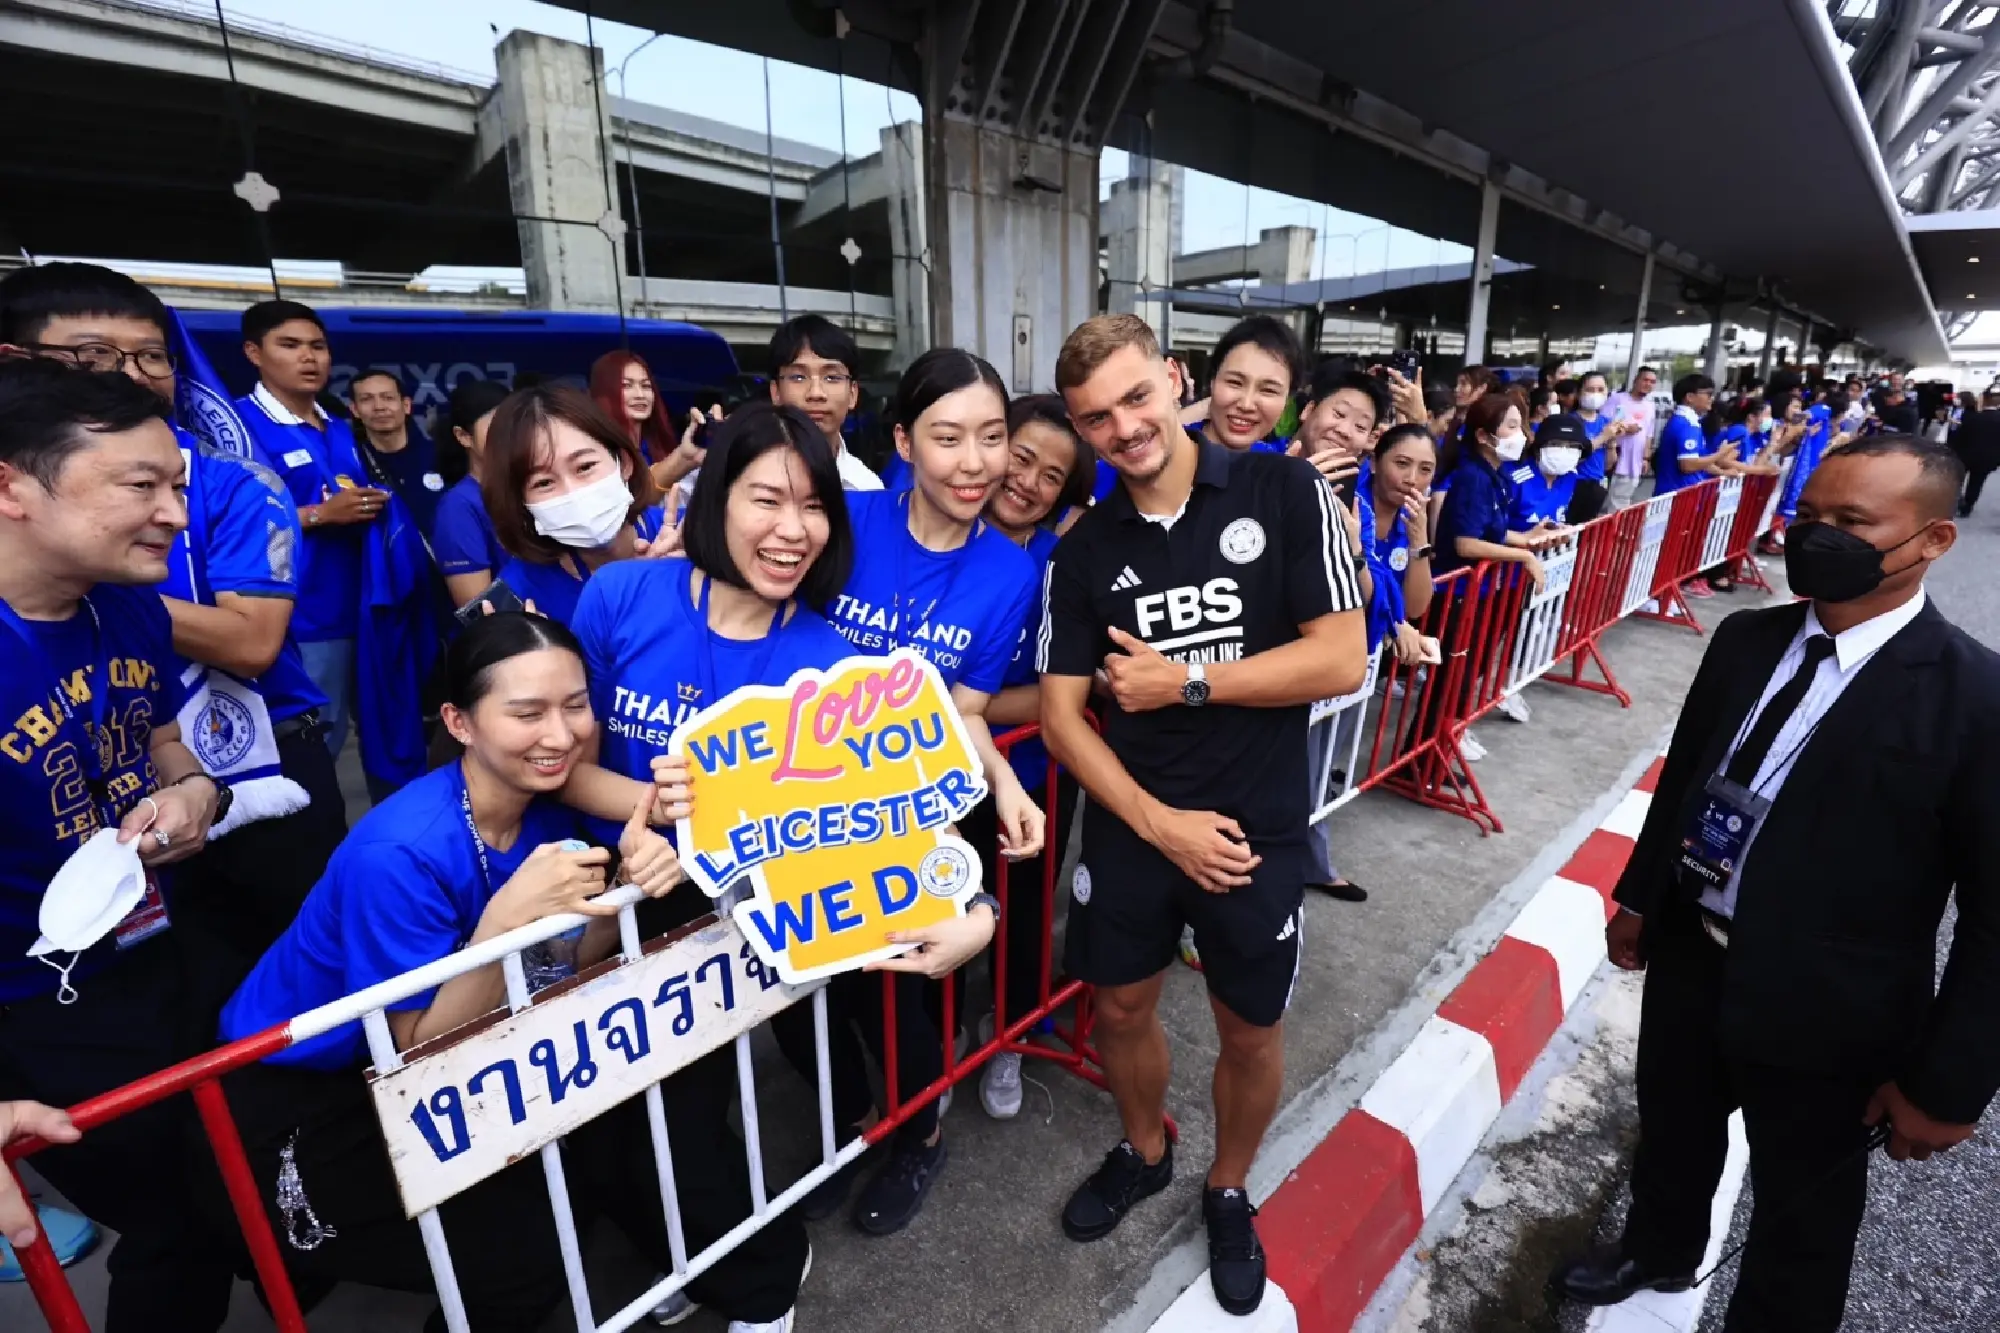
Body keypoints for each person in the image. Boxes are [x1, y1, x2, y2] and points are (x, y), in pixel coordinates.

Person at [216, 611, 807, 1333]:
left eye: (575, 705)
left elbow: (563, 969)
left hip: (460, 1053)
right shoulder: (399, 855)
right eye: (526, 712)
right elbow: (416, 1051)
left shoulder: (552, 801)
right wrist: (502, 920)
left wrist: (625, 877)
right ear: (459, 722)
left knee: (582, 1172)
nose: (559, 736)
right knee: (512, 1258)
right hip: (308, 1086)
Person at [1551, 434, 2000, 1333]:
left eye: (1851, 523)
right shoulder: (1747, 638)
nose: (1816, 538)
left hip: (1834, 1010)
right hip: (1693, 952)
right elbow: (1688, 779)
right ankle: (1660, 1245)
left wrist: (1948, 1086)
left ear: (1932, 540)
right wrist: (1642, 897)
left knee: (1803, 1213)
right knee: (1673, 1132)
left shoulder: (1973, 698)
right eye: (1808, 518)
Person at [1040, 314, 1367, 1317]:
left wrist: (1185, 681)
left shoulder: (1281, 491)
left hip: (1258, 833)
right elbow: (1059, 716)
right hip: (1138, 832)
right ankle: (1144, 1150)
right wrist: (1152, 820)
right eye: (1095, 417)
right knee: (1121, 1007)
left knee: (1248, 1029)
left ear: (1174, 379)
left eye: (1137, 397)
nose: (1123, 427)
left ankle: (1226, 1184)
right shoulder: (1084, 548)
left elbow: (1339, 657)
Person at [0, 264, 343, 971]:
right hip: (47, 958)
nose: (131, 375)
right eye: (94, 357)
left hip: (251, 767)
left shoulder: (225, 494)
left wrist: (192, 787)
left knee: (282, 975)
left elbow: (249, 644)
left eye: (152, 355)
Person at [0, 359, 235, 1330]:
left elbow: (171, 750)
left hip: (150, 949)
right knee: (176, 1219)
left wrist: (193, 798)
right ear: (11, 486)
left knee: (213, 1190)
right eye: (140, 486)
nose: (175, 515)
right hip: (31, 1007)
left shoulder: (129, 601)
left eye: (176, 484)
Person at [814, 348, 1044, 1234]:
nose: (975, 460)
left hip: (913, 815)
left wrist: (1004, 787)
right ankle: (837, 1130)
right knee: (807, 995)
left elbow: (966, 708)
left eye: (993, 437)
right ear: (905, 440)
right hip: (801, 804)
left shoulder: (1010, 573)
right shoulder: (843, 520)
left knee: (896, 988)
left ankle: (919, 1131)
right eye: (948, 437)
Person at [235, 300, 440, 800]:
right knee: (314, 751)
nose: (309, 358)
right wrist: (320, 516)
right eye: (290, 345)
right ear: (253, 352)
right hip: (302, 618)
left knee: (389, 741)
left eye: (318, 346)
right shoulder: (239, 426)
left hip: (370, 611)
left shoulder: (342, 429)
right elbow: (230, 523)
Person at [969, 393, 1096, 1119]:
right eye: (1020, 457)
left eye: (1052, 475)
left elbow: (1063, 691)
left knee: (1021, 913)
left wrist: (970, 705)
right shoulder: (936, 540)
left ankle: (1011, 1038)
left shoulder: (1061, 565)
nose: (1028, 482)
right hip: (934, 779)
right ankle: (949, 1037)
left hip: (1034, 775)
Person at [478, 384, 669, 626]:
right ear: (522, 502)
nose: (573, 492)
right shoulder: (520, 598)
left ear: (624, 463)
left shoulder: (691, 537)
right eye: (544, 482)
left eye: (585, 467)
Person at [767, 313, 883, 492]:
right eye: (798, 377)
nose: (816, 393)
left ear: (853, 394)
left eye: (832, 377)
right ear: (776, 392)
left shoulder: (867, 488)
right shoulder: (747, 475)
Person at [434, 378, 514, 608]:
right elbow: (478, 608)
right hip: (514, 638)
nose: (508, 436)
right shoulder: (459, 507)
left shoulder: (533, 490)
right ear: (463, 436)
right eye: (496, 427)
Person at [348, 368, 445, 536]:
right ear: (355, 410)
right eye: (367, 399)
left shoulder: (442, 455)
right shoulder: (350, 463)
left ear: (406, 405)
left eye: (388, 398)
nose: (379, 407)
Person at [1192, 315, 1305, 453]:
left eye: (1268, 390)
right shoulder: (1170, 450)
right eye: (1235, 382)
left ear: (1287, 401)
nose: (1246, 405)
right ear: (1212, 381)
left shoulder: (1276, 463)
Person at [1508, 412, 1591, 530]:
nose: (1564, 450)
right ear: (1538, 448)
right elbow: (1491, 528)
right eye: (1556, 444)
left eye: (1573, 446)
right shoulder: (1514, 478)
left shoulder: (1570, 476)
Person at [1570, 371, 1632, 522]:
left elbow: (1608, 464)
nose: (1596, 394)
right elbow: (1572, 458)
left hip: (1597, 484)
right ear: (1579, 393)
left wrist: (1611, 441)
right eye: (1590, 390)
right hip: (1574, 484)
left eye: (1600, 390)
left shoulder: (1605, 421)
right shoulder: (1570, 421)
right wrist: (1603, 437)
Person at [1604, 365, 1661, 509]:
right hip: (1615, 460)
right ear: (1636, 380)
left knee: (1624, 502)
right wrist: (1624, 429)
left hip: (1635, 463)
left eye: (1652, 382)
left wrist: (1645, 458)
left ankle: (1617, 530)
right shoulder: (1618, 399)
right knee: (1610, 502)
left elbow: (1648, 434)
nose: (1648, 384)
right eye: (1645, 380)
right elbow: (1603, 424)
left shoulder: (1650, 406)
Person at [1948, 388, 2000, 515]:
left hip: (1966, 455)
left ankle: (1956, 501)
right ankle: (1968, 506)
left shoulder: (1973, 418)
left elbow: (1961, 436)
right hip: (1988, 458)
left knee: (1958, 479)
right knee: (1977, 483)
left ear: (1985, 400)